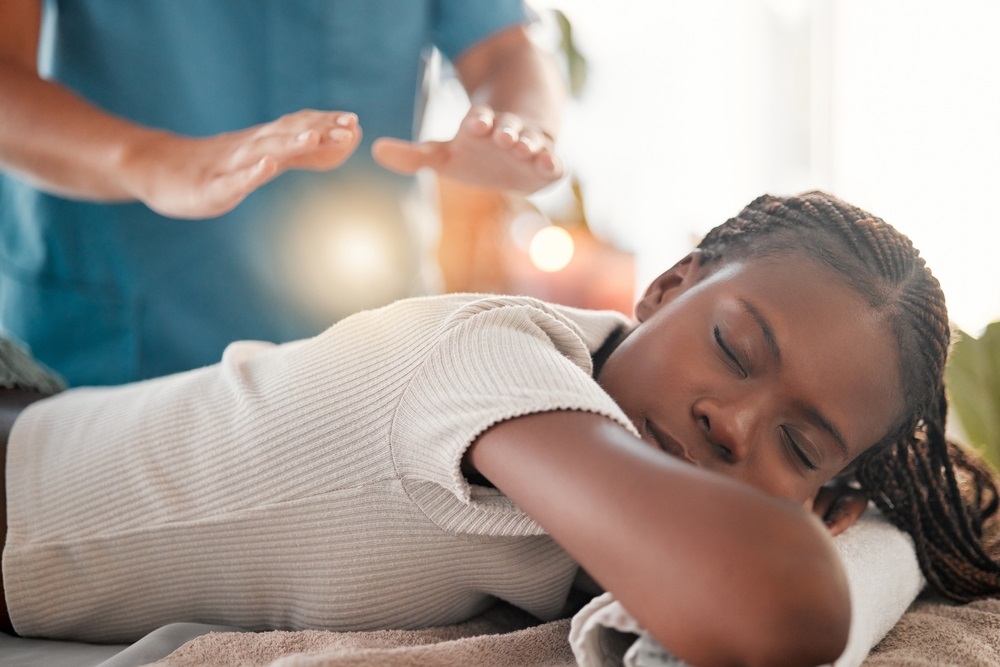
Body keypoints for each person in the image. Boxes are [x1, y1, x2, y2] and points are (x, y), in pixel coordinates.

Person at [3, 191, 999, 667]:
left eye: (800, 443)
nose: (732, 422)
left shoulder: (637, 492)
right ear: (662, 290)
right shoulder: (495, 362)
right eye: (734, 349)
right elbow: (776, 609)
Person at [0, 0, 565, 387]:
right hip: (117, 334)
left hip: (364, 332)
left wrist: (521, 126)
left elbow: (503, 50)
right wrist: (150, 161)